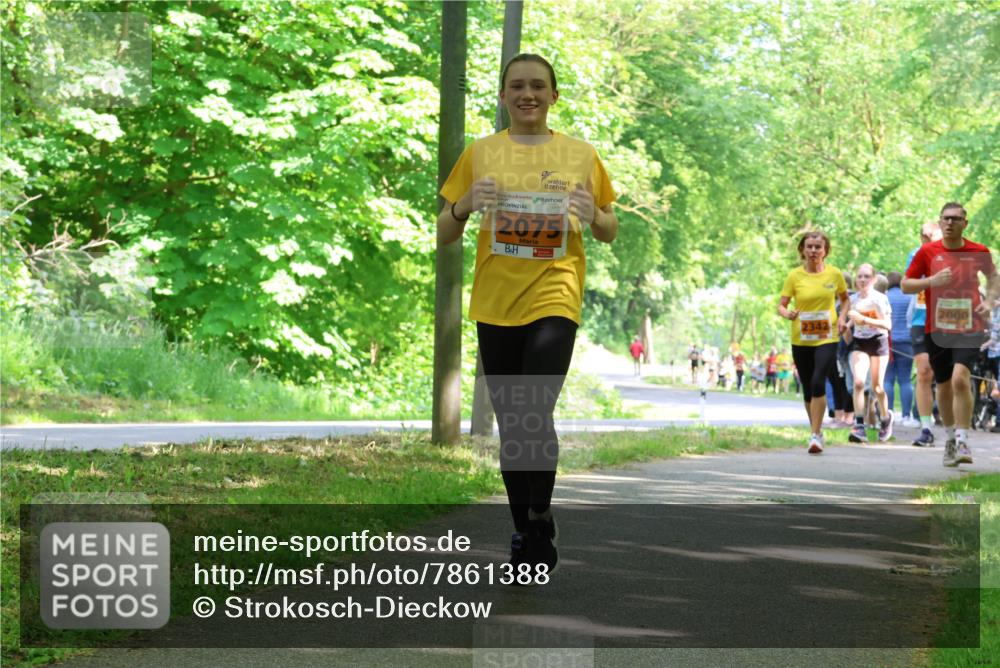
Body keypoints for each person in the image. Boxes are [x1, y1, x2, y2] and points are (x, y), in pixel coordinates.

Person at [438, 53, 618, 572]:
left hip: (555, 292)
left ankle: (539, 511)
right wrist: (464, 203)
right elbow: (444, 233)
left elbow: (609, 228)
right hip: (495, 301)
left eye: (538, 86)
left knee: (533, 406)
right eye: (516, 86)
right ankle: (528, 529)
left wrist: (595, 215)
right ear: (502, 95)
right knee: (515, 423)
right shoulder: (482, 152)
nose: (527, 94)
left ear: (554, 96)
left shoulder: (580, 154)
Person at [902, 202, 1000, 466]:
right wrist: (931, 282)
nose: (949, 223)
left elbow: (994, 277)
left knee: (960, 378)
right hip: (937, 328)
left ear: (964, 223)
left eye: (955, 219)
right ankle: (949, 439)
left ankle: (963, 438)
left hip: (969, 326)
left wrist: (989, 302)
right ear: (940, 221)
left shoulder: (978, 251)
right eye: (945, 219)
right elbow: (906, 285)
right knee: (943, 384)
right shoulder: (927, 252)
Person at [778, 230, 850, 453]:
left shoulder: (834, 274)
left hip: (827, 336)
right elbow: (781, 304)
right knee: (809, 388)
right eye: (809, 246)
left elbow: (845, 300)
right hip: (801, 338)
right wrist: (787, 313)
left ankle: (815, 435)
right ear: (802, 250)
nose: (813, 251)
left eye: (818, 247)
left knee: (819, 381)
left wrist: (842, 319)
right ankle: (816, 431)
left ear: (825, 251)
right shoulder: (794, 277)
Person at [841, 263, 893, 443]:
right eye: (860, 276)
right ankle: (860, 425)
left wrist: (864, 319)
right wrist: (846, 327)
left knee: (877, 387)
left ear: (873, 280)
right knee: (858, 382)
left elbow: (888, 325)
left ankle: (886, 418)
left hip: (878, 342)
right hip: (860, 343)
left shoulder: (879, 299)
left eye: (866, 277)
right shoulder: (853, 299)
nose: (862, 280)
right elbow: (851, 323)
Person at [907, 221, 943, 446]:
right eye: (924, 237)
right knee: (923, 372)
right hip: (921, 319)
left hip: (947, 320)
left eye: (931, 238)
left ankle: (953, 429)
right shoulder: (915, 254)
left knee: (947, 377)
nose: (927, 241)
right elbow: (908, 282)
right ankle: (926, 428)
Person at [884, 272, 918, 428]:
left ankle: (887, 413)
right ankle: (906, 415)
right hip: (906, 342)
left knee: (888, 380)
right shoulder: (909, 297)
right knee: (905, 380)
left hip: (888, 342)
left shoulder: (885, 297)